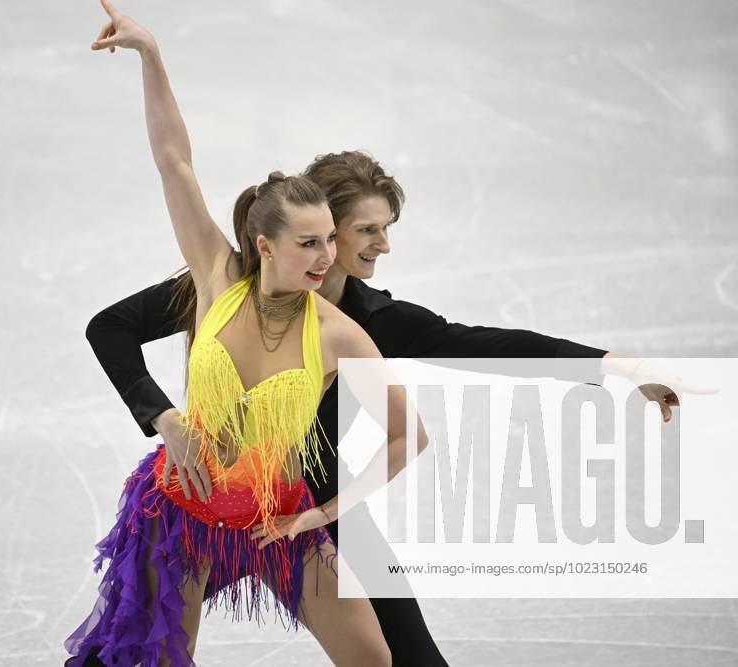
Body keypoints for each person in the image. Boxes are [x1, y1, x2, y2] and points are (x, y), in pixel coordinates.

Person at [84, 142, 690, 667]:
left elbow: (486, 345)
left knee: (407, 656)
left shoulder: (376, 322)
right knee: (132, 638)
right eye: (367, 229)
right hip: (206, 496)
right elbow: (111, 327)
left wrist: (615, 367)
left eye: (385, 227)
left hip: (314, 508)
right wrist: (165, 418)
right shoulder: (235, 278)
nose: (383, 244)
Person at [64, 2, 428, 665]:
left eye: (329, 241)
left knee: (375, 660)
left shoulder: (340, 334)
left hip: (277, 521)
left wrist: (320, 515)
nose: (326, 257)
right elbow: (173, 160)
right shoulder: (215, 278)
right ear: (265, 244)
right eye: (308, 242)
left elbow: (410, 435)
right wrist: (150, 54)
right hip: (182, 512)